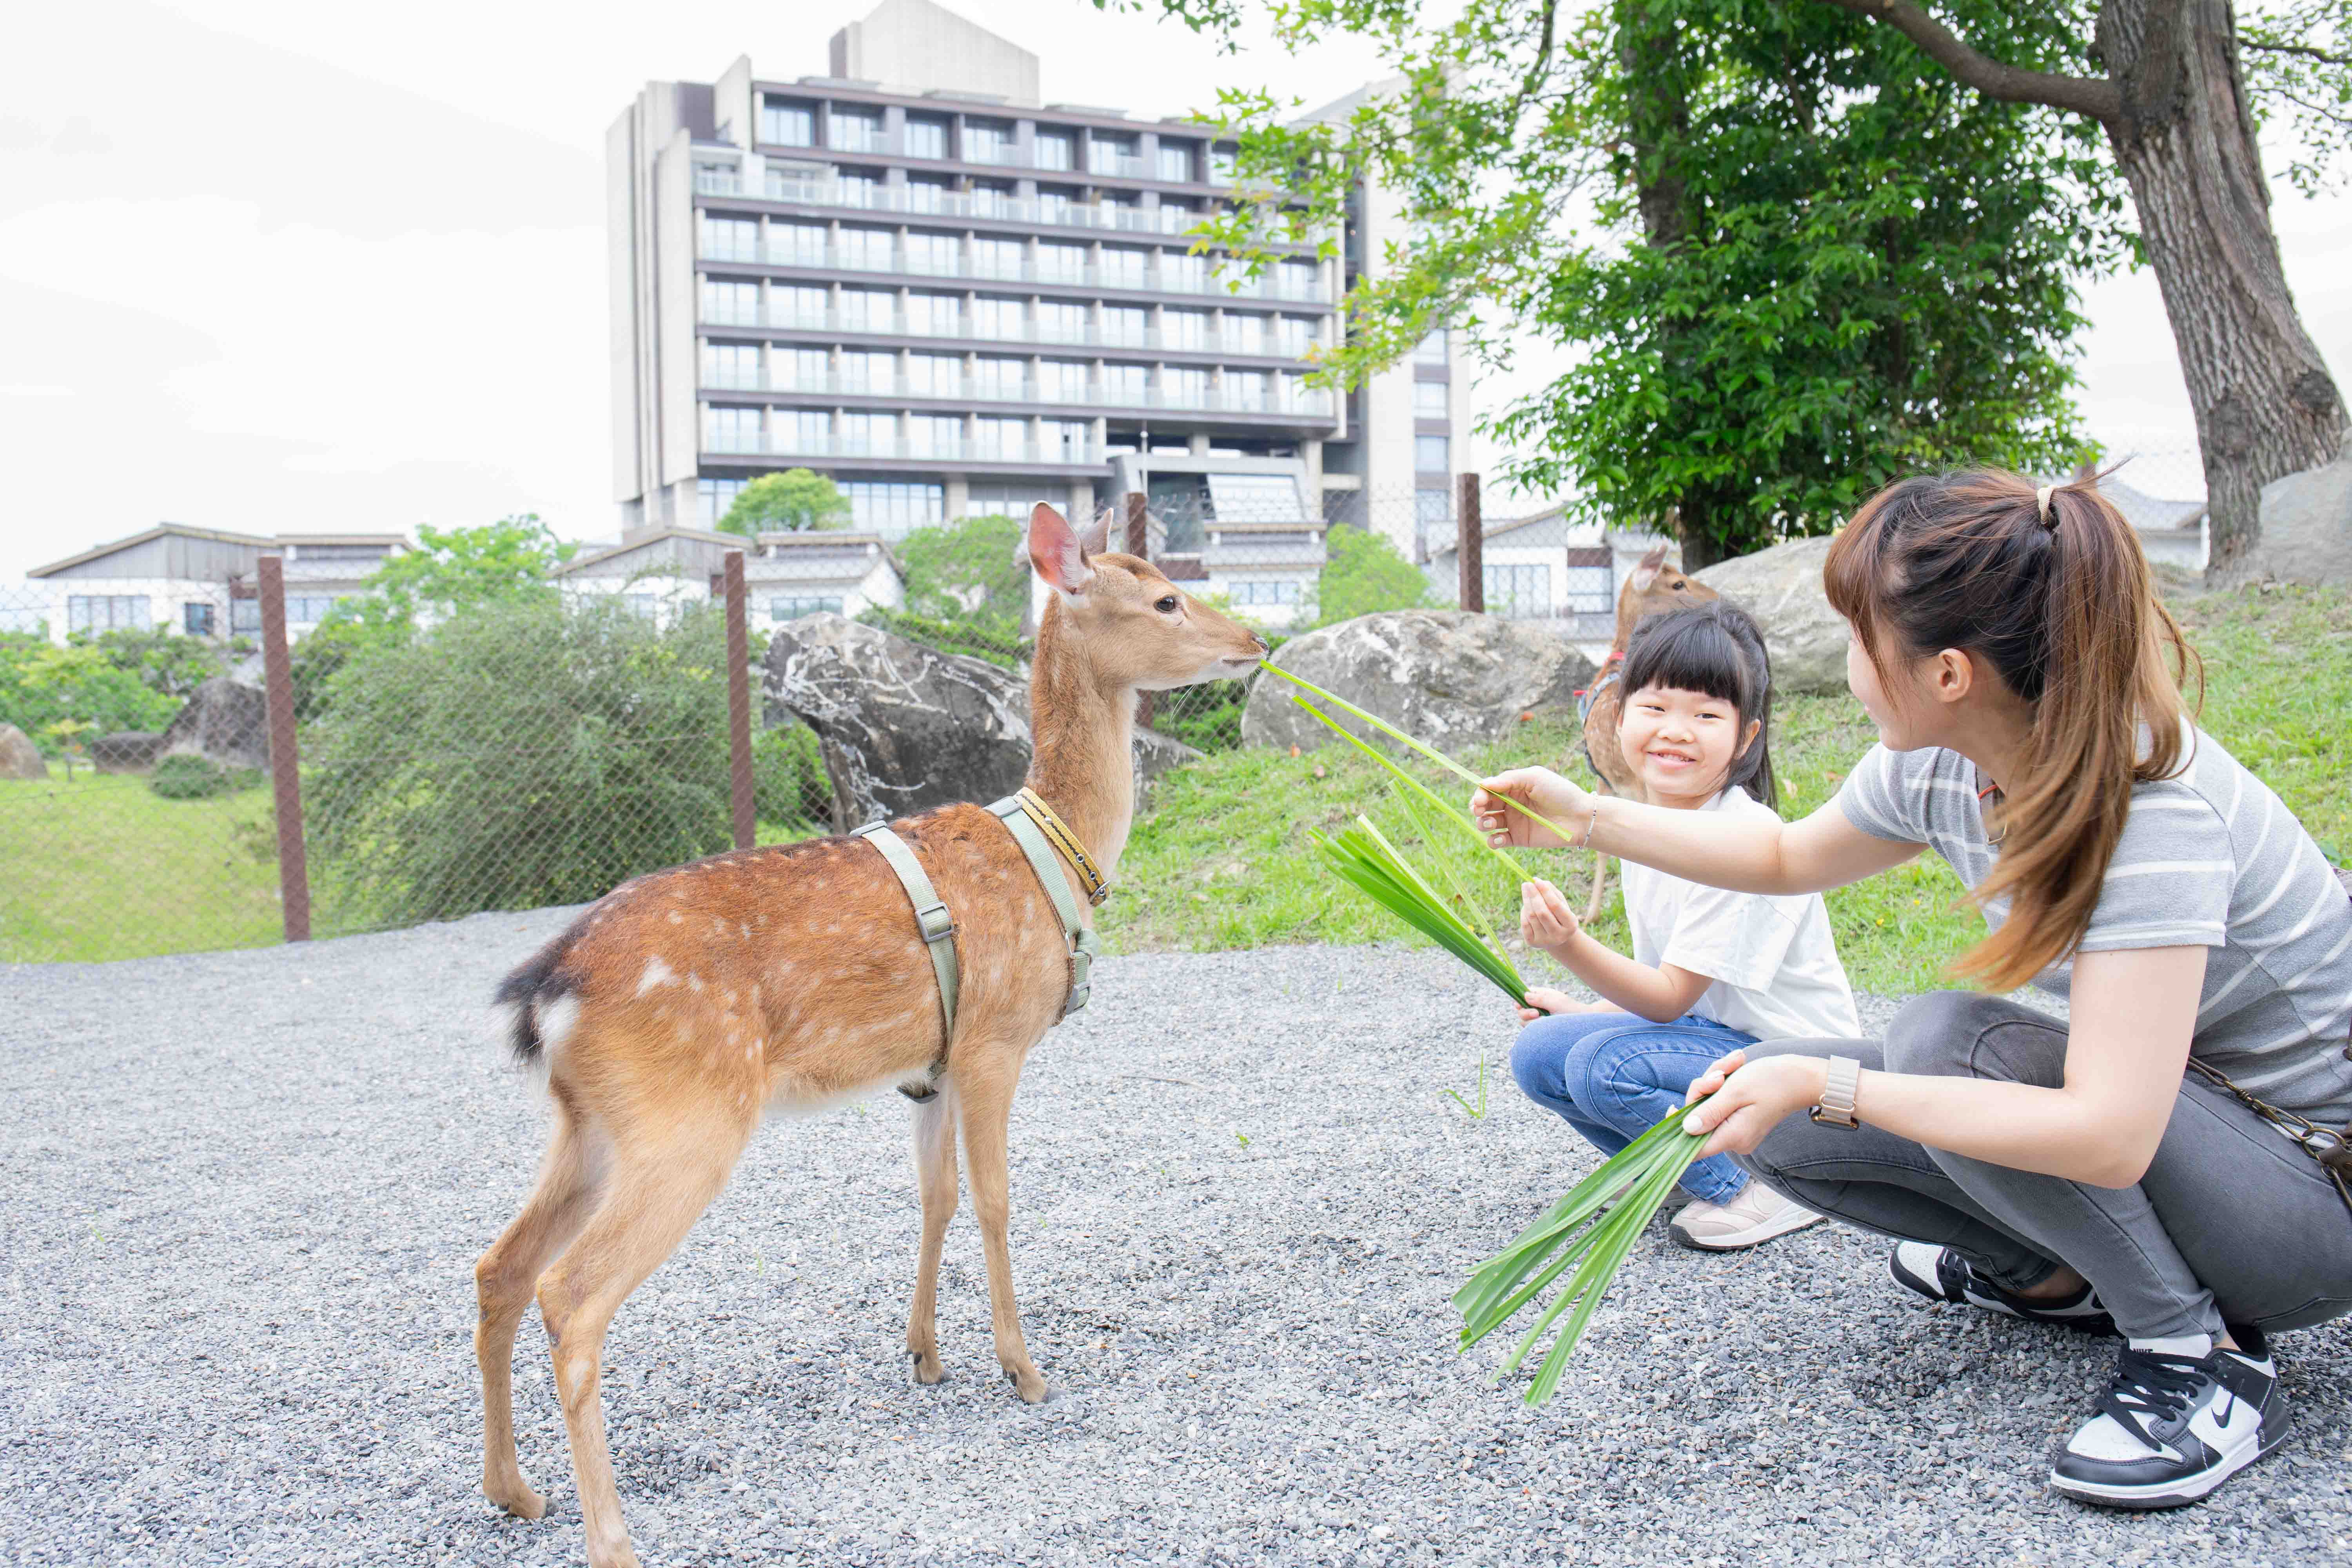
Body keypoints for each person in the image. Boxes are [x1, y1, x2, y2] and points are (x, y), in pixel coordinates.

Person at [1472, 470, 2352, 1510]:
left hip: (2309, 1199)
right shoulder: (1949, 760)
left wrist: (1834, 1081)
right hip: (2199, 1141)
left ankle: (2196, 1356)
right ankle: (2058, 1279)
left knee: (1939, 1043)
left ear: (1945, 672)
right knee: (1778, 1109)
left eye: (1857, 637)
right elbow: (1789, 859)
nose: (1847, 668)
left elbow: (2110, 1133)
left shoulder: (2152, 812)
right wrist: (1587, 819)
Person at [1509, 601, 1859, 1252]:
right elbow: (1669, 990)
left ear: (1746, 737)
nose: (1676, 731)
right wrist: (1583, 1008)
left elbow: (1670, 999)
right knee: (1540, 1054)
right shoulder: (1646, 828)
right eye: (1657, 708)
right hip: (1711, 1042)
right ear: (1617, 716)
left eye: (1705, 715)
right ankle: (1670, 1170)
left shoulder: (1744, 835)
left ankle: (1761, 1188)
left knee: (1600, 1067)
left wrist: (1569, 945)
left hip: (1792, 1073)